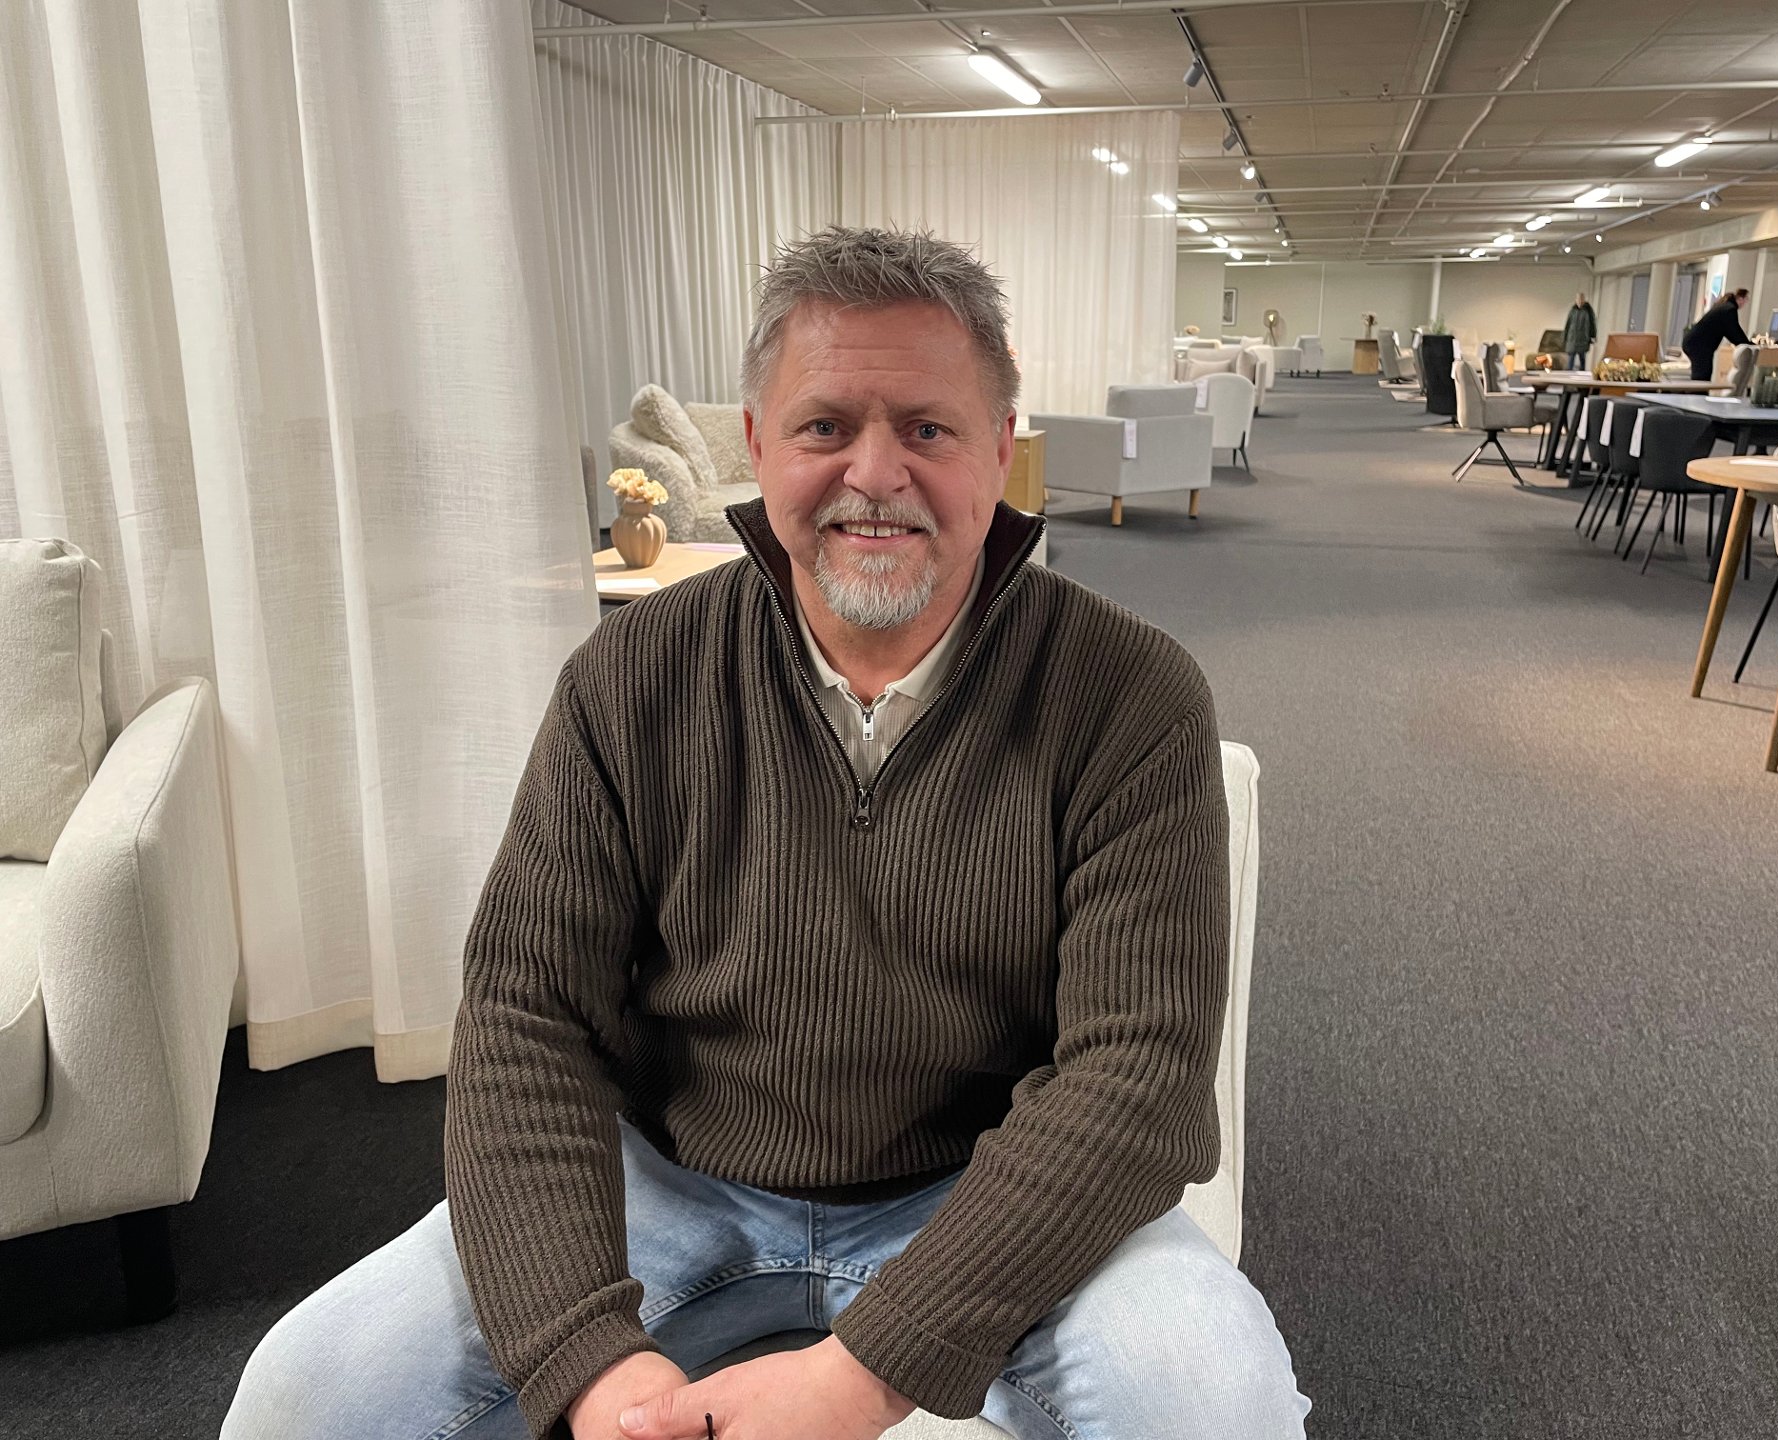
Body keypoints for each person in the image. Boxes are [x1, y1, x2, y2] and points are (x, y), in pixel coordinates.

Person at [222, 227, 1312, 1440]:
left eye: (929, 430)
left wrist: (863, 1374)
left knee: (1215, 1402)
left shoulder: (1129, 693)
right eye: (825, 426)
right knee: (302, 1398)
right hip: (674, 1180)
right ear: (757, 443)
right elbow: (528, 1017)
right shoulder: (632, 675)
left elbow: (1138, 1073)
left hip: (984, 1185)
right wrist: (591, 1362)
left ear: (1001, 448)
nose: (875, 474)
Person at [1681, 287, 1751, 380]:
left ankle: (1699, 389)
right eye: (1746, 300)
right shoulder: (1729, 309)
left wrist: (1745, 343)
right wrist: (1749, 344)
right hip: (1698, 345)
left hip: (1694, 343)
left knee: (1702, 374)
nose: (1745, 303)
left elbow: (1731, 332)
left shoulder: (1724, 306)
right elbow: (1734, 332)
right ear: (1741, 299)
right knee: (1702, 376)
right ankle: (1699, 389)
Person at [1563, 291, 1597, 371]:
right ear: (1576, 300)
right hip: (1572, 339)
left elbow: (1593, 324)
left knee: (1582, 359)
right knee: (1570, 360)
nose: (1580, 301)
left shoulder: (1588, 311)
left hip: (1583, 339)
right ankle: (1569, 376)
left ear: (1584, 300)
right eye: (1578, 299)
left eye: (1581, 299)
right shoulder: (1572, 311)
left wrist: (1593, 336)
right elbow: (1568, 324)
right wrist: (1565, 337)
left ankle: (1582, 375)